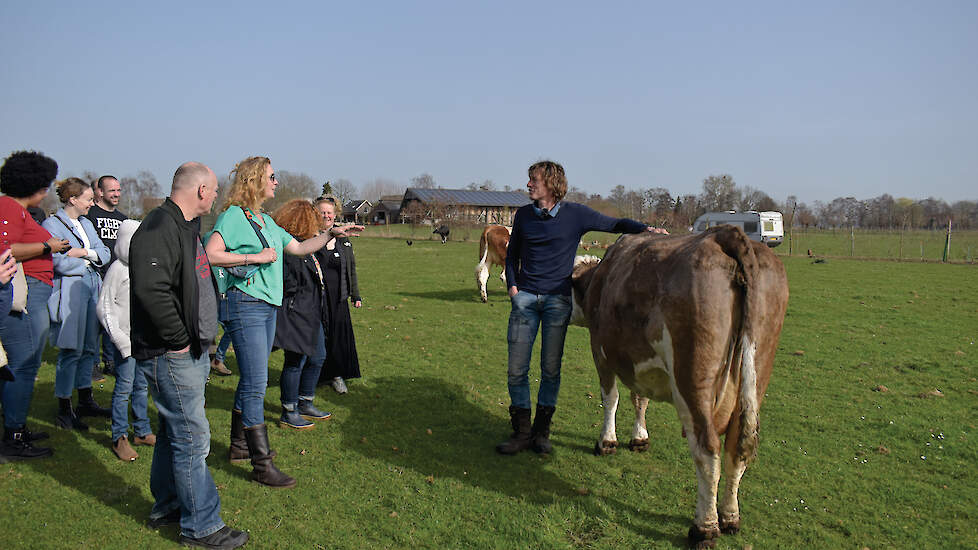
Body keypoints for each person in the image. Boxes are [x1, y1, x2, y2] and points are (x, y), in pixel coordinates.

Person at [205, 156, 361, 488]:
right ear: (254, 181)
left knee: (252, 380)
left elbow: (302, 247)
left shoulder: (265, 220)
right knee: (255, 383)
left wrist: (332, 232)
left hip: (265, 308)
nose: (276, 182)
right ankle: (262, 463)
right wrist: (255, 257)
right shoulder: (234, 217)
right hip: (245, 304)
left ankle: (237, 446)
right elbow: (212, 252)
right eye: (271, 177)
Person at [497, 160, 668, 456]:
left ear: (550, 184)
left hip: (556, 301)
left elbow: (614, 224)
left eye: (533, 180)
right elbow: (512, 257)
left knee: (550, 370)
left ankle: (541, 434)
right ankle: (521, 432)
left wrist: (646, 229)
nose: (528, 185)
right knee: (516, 369)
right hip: (525, 300)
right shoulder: (523, 216)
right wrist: (513, 287)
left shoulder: (576, 215)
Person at [130, 161, 248, 548]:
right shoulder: (159, 226)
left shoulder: (185, 226)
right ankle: (202, 525)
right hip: (172, 353)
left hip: (185, 350)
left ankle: (167, 505)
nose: (215, 198)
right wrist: (179, 340)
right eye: (213, 191)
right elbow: (151, 289)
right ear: (200, 191)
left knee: (171, 432)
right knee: (193, 439)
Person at [0, 150, 71, 461]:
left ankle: (16, 427)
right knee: (24, 365)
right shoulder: (9, 207)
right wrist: (48, 246)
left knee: (25, 365)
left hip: (35, 293)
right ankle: (13, 436)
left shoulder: (21, 211)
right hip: (25, 296)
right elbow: (7, 248)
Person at [42, 178, 112, 430]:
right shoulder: (52, 224)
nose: (92, 204)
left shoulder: (85, 223)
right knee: (71, 349)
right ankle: (63, 406)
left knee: (90, 347)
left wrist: (83, 253)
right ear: (73, 199)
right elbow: (56, 261)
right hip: (71, 291)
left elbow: (104, 253)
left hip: (92, 286)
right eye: (88, 199)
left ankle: (85, 399)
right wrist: (87, 259)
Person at [97, 219, 156, 461]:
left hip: (143, 341)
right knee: (124, 388)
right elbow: (104, 307)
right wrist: (120, 341)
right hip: (125, 343)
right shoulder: (117, 270)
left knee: (142, 386)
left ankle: (142, 430)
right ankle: (118, 436)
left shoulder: (145, 269)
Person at [270, 199, 332, 429]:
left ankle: (305, 401)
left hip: (310, 313)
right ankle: (289, 410)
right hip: (295, 313)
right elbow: (288, 283)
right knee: (295, 361)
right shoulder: (291, 250)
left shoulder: (306, 246)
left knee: (318, 356)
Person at [314, 196, 362, 395]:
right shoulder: (310, 237)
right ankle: (316, 375)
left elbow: (351, 269)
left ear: (335, 215)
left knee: (338, 338)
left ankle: (337, 375)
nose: (326, 215)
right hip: (317, 298)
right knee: (319, 338)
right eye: (322, 212)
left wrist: (356, 295)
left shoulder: (344, 240)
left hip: (339, 297)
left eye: (329, 212)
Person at [85, 175, 128, 379]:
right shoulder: (90, 215)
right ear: (100, 192)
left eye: (119, 190)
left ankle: (110, 361)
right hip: (96, 274)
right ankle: (92, 364)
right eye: (112, 191)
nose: (117, 194)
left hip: (117, 276)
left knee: (115, 320)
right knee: (95, 323)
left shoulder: (122, 218)